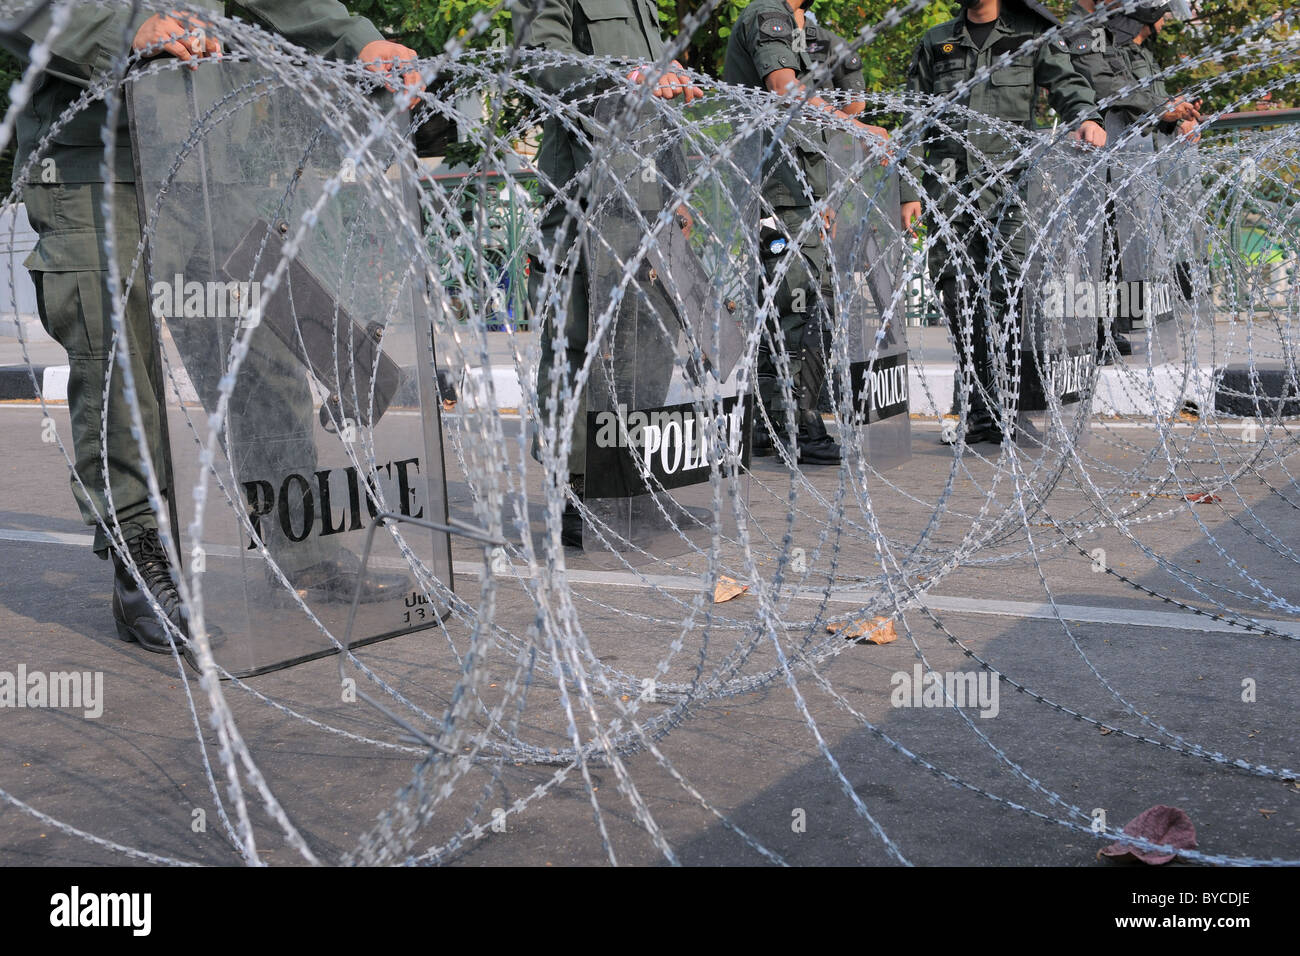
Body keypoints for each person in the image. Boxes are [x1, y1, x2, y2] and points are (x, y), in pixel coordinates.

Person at [2, 3, 423, 663]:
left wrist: (360, 43)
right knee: (120, 366)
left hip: (207, 160)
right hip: (99, 164)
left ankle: (303, 554)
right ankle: (141, 566)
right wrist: (122, 30)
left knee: (262, 360)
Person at [513, 0, 702, 547]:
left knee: (648, 344)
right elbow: (540, 58)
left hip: (645, 196)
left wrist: (677, 188)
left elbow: (658, 111)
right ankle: (576, 486)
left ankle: (632, 477)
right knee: (577, 346)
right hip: (583, 194)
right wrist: (622, 75)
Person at [899, 0, 1106, 446]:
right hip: (948, 186)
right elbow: (915, 118)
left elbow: (1067, 83)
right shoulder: (937, 41)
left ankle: (1007, 405)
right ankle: (977, 409)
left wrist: (1086, 117)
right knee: (957, 294)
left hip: (1011, 186)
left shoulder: (1029, 35)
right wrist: (909, 192)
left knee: (1008, 291)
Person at [723, 0, 889, 466]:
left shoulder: (808, 34)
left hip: (797, 190)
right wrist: (854, 127)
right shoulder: (766, 14)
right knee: (804, 301)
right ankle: (794, 420)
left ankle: (768, 421)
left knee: (787, 302)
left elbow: (843, 102)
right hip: (774, 188)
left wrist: (823, 196)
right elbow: (782, 87)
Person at [1064, 1, 1200, 360]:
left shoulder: (1110, 27)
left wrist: (1171, 116)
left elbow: (1129, 87)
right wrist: (1161, 108)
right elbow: (1104, 83)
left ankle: (1107, 328)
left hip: (1122, 150)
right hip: (1090, 150)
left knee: (1114, 244)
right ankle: (1090, 332)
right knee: (1094, 243)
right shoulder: (1081, 27)